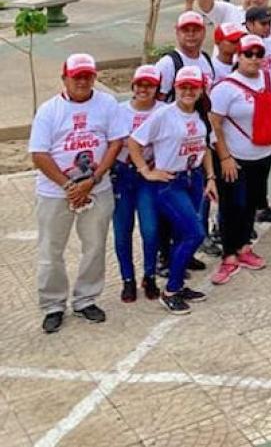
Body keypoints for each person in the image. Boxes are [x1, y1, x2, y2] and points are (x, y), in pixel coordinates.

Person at [30, 54, 123, 333]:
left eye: (87, 76)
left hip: (97, 187)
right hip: (55, 192)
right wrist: (69, 186)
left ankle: (85, 299)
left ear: (94, 77)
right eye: (76, 76)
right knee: (51, 250)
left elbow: (115, 143)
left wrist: (93, 180)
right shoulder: (49, 110)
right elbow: (39, 154)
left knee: (94, 246)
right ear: (65, 78)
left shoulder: (107, 104)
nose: (82, 81)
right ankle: (53, 304)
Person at [129, 66, 215, 314]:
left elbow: (204, 146)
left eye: (193, 87)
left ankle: (178, 284)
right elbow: (134, 142)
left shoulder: (200, 114)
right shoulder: (164, 115)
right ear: (175, 88)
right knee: (194, 234)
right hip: (170, 182)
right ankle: (171, 290)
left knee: (182, 234)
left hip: (193, 179)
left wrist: (210, 177)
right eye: (183, 86)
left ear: (200, 89)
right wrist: (146, 170)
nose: (188, 91)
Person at [207, 35, 271, 285]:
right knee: (232, 206)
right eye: (248, 53)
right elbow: (214, 122)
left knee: (251, 203)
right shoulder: (225, 87)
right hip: (235, 159)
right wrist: (224, 157)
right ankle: (228, 254)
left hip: (261, 155)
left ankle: (243, 247)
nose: (254, 59)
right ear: (238, 55)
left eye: (259, 54)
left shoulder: (269, 79)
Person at [111, 65, 163, 303]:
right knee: (123, 230)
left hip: (149, 176)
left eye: (149, 85)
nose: (144, 89)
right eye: (140, 84)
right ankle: (128, 279)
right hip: (123, 174)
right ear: (133, 86)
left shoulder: (164, 111)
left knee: (150, 229)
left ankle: (149, 275)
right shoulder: (118, 111)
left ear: (157, 88)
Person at [157, 11, 220, 101]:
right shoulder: (168, 64)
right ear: (177, 33)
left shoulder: (206, 59)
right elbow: (158, 102)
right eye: (185, 30)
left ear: (204, 32)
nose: (191, 34)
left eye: (196, 30)